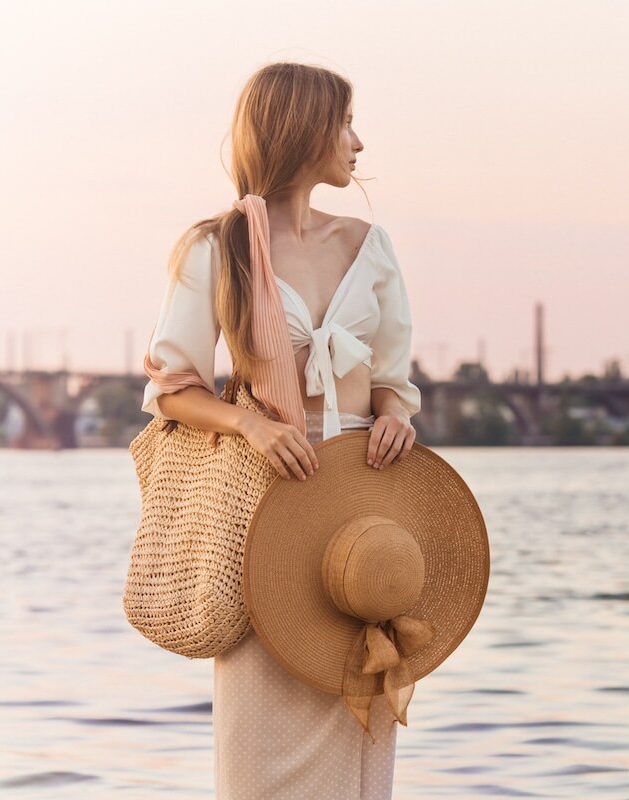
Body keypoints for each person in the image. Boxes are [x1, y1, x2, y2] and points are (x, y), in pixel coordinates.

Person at [141, 62, 420, 800]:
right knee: (261, 738)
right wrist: (249, 425)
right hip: (270, 506)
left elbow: (393, 380)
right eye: (345, 123)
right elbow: (172, 388)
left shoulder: (370, 245)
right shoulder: (218, 248)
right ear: (302, 130)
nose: (358, 142)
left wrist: (396, 417)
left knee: (357, 704)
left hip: (362, 507)